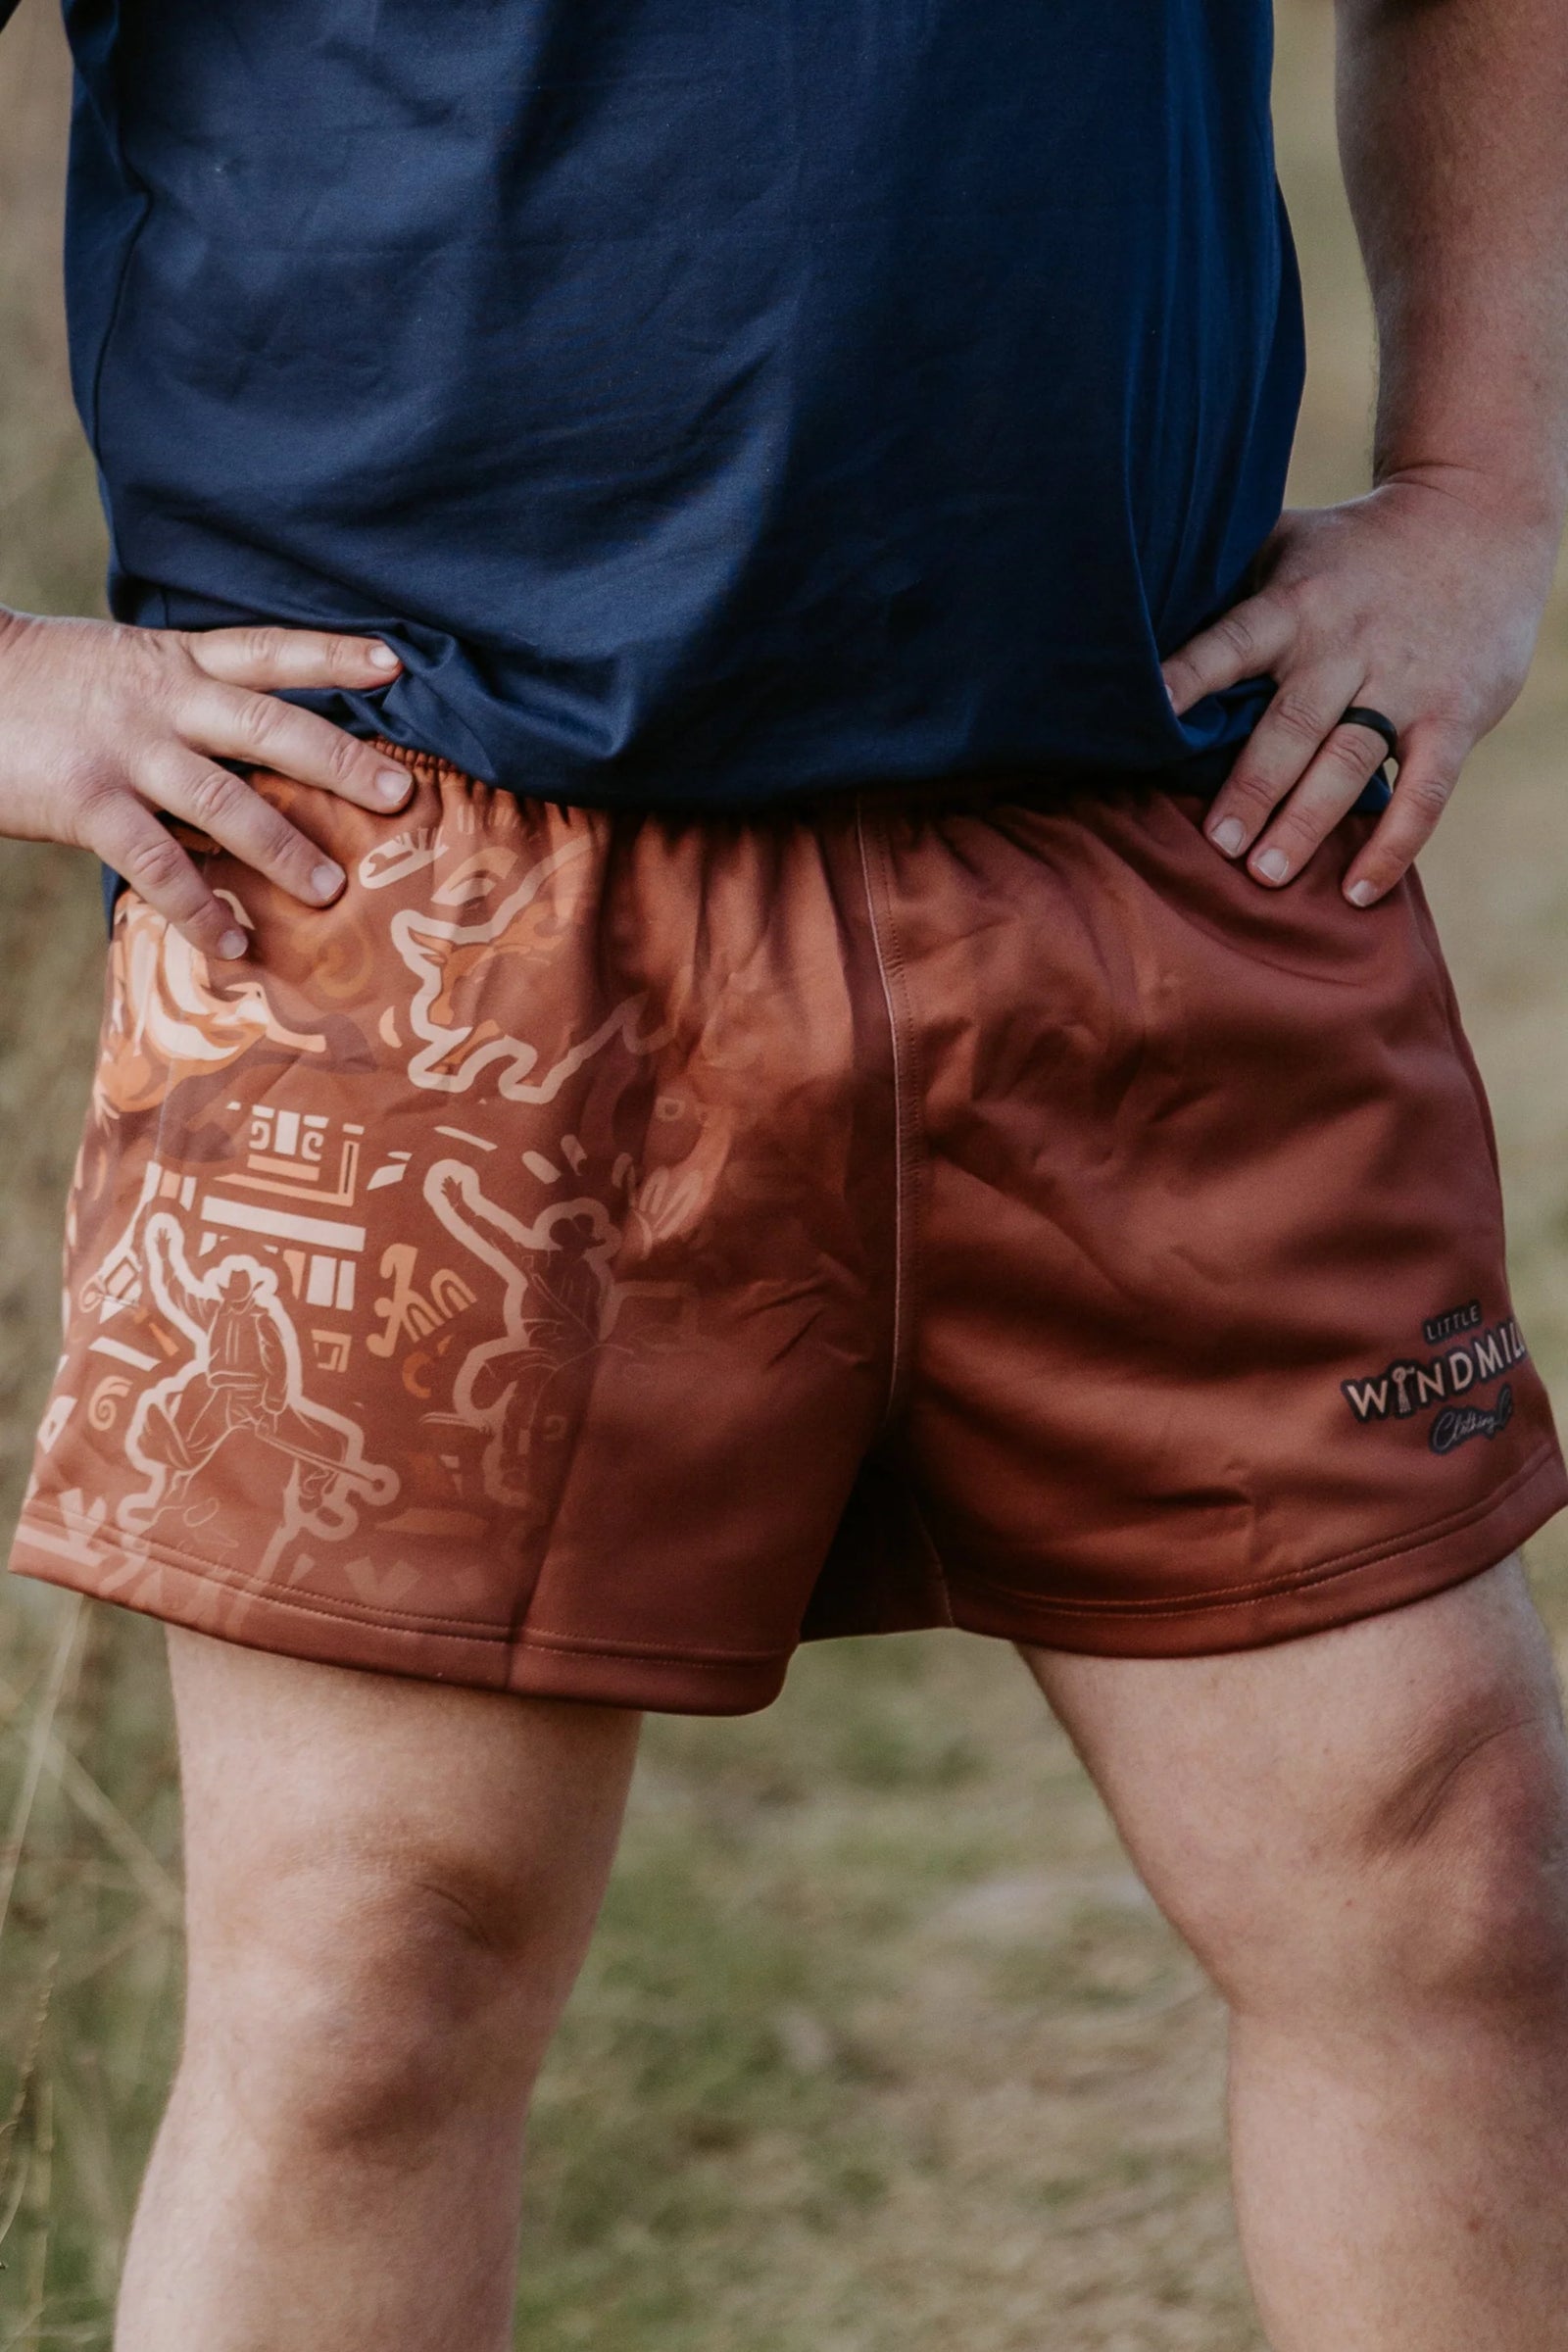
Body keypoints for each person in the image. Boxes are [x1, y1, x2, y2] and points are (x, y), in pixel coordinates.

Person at [3, 0, 1567, 2341]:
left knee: (1442, 1868)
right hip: (414, 868)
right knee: (370, 1974)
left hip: (1145, 817)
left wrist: (1476, 491)